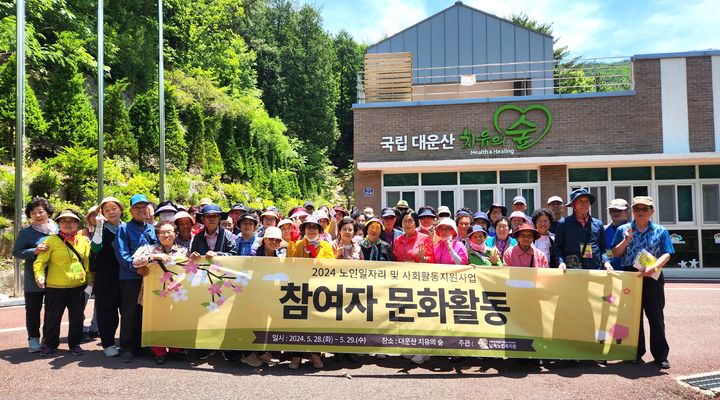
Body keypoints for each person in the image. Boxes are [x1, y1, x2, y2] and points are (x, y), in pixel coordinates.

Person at [612, 196, 673, 369]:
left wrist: (654, 267)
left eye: (644, 208)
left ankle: (660, 355)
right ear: (632, 211)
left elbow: (667, 253)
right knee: (632, 318)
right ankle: (635, 353)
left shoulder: (661, 231)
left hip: (653, 275)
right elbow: (615, 253)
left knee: (656, 316)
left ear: (652, 211)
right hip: (630, 276)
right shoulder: (623, 229)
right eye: (637, 208)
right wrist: (626, 240)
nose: (640, 211)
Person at [33, 209, 92, 356]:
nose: (67, 224)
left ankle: (75, 344)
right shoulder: (51, 240)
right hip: (55, 287)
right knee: (53, 317)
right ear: (58, 223)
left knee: (77, 317)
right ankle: (50, 344)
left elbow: (87, 263)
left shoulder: (83, 241)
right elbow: (40, 262)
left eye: (71, 221)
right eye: (63, 221)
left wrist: (90, 281)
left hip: (78, 286)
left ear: (77, 224)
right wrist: (39, 276)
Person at [132, 220, 187, 364]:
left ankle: (175, 349)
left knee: (174, 320)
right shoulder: (149, 249)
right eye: (162, 232)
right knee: (155, 321)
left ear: (175, 234)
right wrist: (154, 257)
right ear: (157, 235)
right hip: (153, 293)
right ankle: (159, 351)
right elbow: (135, 262)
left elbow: (189, 269)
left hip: (175, 293)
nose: (166, 235)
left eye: (169, 232)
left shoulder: (183, 250)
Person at [114, 193, 158, 362]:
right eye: (137, 208)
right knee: (129, 312)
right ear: (131, 210)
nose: (141, 210)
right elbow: (122, 254)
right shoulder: (123, 229)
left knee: (146, 312)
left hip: (150, 277)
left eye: (144, 207)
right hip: (130, 278)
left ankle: (143, 345)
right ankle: (127, 347)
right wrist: (135, 268)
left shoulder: (152, 229)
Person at [287, 216, 334, 369]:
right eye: (309, 227)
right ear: (304, 230)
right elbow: (289, 261)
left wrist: (316, 258)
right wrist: (292, 242)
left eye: (315, 227)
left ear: (320, 230)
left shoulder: (325, 246)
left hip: (319, 289)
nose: (312, 230)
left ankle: (315, 354)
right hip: (300, 288)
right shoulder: (299, 244)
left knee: (316, 322)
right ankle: (296, 355)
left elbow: (332, 265)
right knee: (298, 322)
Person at [13, 197, 57, 353]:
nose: (38, 215)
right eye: (33, 213)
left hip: (55, 278)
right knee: (33, 310)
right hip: (33, 279)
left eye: (41, 212)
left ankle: (48, 338)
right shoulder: (26, 233)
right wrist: (34, 251)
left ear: (48, 212)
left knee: (52, 310)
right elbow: (16, 252)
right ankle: (33, 339)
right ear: (29, 216)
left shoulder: (58, 229)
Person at [91, 196, 125, 357]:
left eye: (114, 208)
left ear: (121, 210)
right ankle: (108, 343)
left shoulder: (127, 227)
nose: (111, 212)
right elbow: (95, 248)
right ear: (102, 214)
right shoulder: (101, 229)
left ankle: (126, 342)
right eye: (107, 210)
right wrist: (98, 226)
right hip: (106, 277)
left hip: (126, 276)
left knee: (128, 310)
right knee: (107, 311)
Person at [553, 188, 613, 271]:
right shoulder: (564, 223)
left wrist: (606, 262)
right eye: (580, 201)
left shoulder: (598, 224)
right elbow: (557, 248)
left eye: (587, 201)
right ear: (573, 205)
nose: (584, 204)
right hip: (573, 271)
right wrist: (561, 262)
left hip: (594, 270)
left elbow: (604, 248)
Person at [604, 198, 630, 270]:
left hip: (630, 273)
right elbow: (601, 251)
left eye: (619, 210)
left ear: (627, 212)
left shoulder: (634, 230)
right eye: (612, 210)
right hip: (608, 271)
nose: (615, 213)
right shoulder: (603, 230)